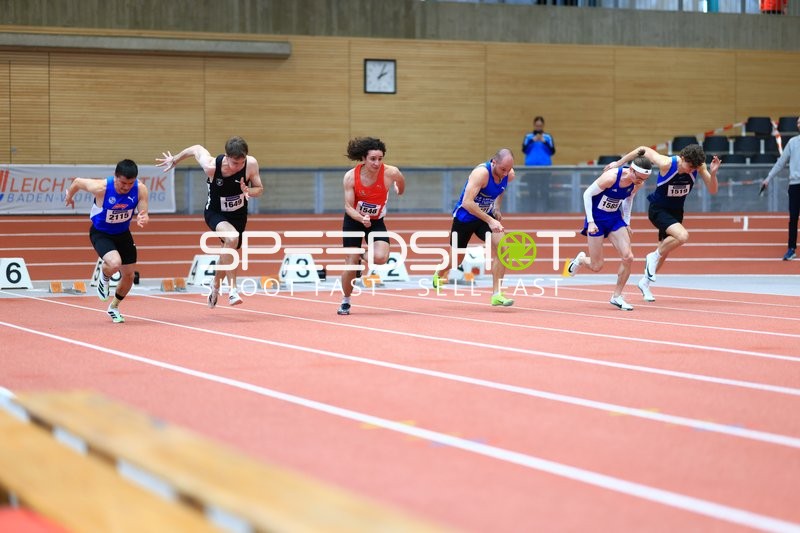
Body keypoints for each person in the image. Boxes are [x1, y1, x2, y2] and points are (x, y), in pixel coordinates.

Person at [156, 136, 264, 308]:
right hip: (215, 212)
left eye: (241, 162)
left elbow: (259, 190)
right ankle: (233, 291)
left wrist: (248, 190)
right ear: (227, 157)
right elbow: (196, 148)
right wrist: (175, 159)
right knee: (232, 238)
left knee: (229, 249)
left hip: (238, 215)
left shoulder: (250, 164)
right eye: (235, 163)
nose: (238, 167)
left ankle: (215, 286)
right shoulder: (211, 166)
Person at [605, 144, 720, 302]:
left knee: (666, 250)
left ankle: (645, 283)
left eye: (695, 168)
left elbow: (713, 190)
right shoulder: (667, 163)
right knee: (682, 236)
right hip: (658, 209)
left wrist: (713, 174)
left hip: (676, 211)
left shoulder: (699, 167)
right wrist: (619, 163)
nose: (692, 170)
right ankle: (652, 256)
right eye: (690, 166)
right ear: (683, 159)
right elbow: (643, 149)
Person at [565, 151, 653, 311]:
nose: (640, 182)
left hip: (614, 219)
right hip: (596, 219)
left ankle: (617, 296)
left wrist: (626, 222)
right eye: (638, 178)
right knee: (597, 265)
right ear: (631, 170)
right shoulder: (611, 177)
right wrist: (590, 222)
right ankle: (580, 260)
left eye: (644, 180)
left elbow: (628, 200)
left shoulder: (637, 183)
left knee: (628, 257)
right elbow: (587, 194)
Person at [65, 159, 149, 323]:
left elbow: (143, 210)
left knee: (129, 276)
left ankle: (114, 307)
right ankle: (104, 277)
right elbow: (77, 182)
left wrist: (143, 216)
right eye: (123, 183)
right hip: (101, 233)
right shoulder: (101, 187)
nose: (126, 187)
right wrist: (69, 196)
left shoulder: (140, 189)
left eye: (130, 183)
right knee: (114, 263)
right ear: (115, 177)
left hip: (123, 234)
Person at [433, 148, 517, 307]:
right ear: (494, 162)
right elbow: (467, 202)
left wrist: (497, 207)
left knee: (504, 248)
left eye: (508, 169)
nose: (505, 173)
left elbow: (501, 189)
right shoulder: (481, 174)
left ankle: (497, 294)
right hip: (465, 217)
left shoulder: (508, 174)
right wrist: (491, 221)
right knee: (456, 260)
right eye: (502, 169)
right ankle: (440, 271)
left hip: (484, 217)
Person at [337, 137, 405, 316]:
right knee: (350, 266)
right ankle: (345, 301)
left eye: (380, 158)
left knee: (381, 257)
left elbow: (401, 180)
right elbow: (348, 207)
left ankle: (359, 256)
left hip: (375, 221)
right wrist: (361, 218)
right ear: (364, 158)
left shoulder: (390, 172)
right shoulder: (351, 177)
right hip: (354, 220)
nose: (377, 163)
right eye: (373, 159)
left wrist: (400, 188)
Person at [761, 116, 800, 260]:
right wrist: (768, 178)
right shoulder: (793, 142)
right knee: (793, 218)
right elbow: (781, 162)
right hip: (795, 185)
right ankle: (791, 249)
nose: (799, 123)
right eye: (798, 122)